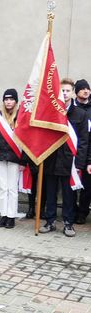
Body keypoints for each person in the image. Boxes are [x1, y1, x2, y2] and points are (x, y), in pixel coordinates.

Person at [39, 78, 88, 237]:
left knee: (69, 195)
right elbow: (44, 135)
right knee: (51, 193)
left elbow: (83, 141)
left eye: (67, 90)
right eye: (62, 91)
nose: (65, 93)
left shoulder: (80, 113)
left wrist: (79, 163)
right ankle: (50, 221)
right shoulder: (52, 111)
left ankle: (68, 223)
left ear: (73, 92)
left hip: (70, 161)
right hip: (52, 159)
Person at [0, 89, 25, 229]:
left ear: (15, 101)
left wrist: (24, 160)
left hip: (15, 157)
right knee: (2, 187)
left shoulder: (20, 116)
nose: (8, 102)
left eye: (11, 99)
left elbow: (26, 139)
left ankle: (11, 216)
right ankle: (3, 215)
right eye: (6, 99)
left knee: (12, 188)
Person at [74, 79, 91, 224]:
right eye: (82, 89)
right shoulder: (72, 108)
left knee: (87, 187)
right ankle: (73, 210)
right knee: (73, 185)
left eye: (88, 88)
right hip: (75, 151)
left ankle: (83, 213)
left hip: (89, 152)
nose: (86, 91)